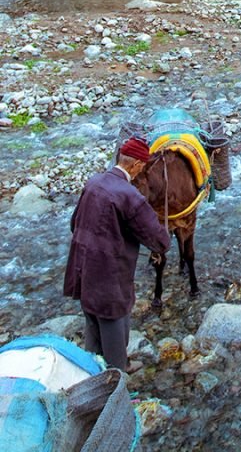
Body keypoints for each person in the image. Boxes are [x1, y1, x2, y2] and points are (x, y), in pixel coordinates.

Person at [64, 137, 169, 370]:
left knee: (92, 331)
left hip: (83, 270)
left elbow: (74, 223)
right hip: (109, 280)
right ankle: (115, 387)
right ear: (136, 165)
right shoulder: (129, 196)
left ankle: (90, 378)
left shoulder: (93, 183)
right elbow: (159, 240)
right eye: (143, 167)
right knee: (115, 339)